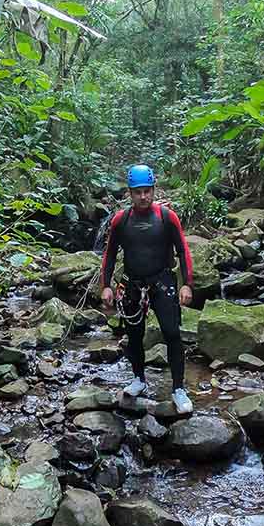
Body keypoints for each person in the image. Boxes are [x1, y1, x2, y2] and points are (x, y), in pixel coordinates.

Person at [100, 164, 195, 414]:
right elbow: (109, 255)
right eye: (138, 192)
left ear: (154, 190)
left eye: (147, 191)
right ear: (130, 193)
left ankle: (178, 389)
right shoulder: (121, 220)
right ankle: (139, 380)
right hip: (132, 284)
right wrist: (106, 286)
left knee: (172, 333)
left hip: (162, 282)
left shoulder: (166, 217)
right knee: (134, 336)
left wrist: (187, 283)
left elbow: (183, 251)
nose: (143, 196)